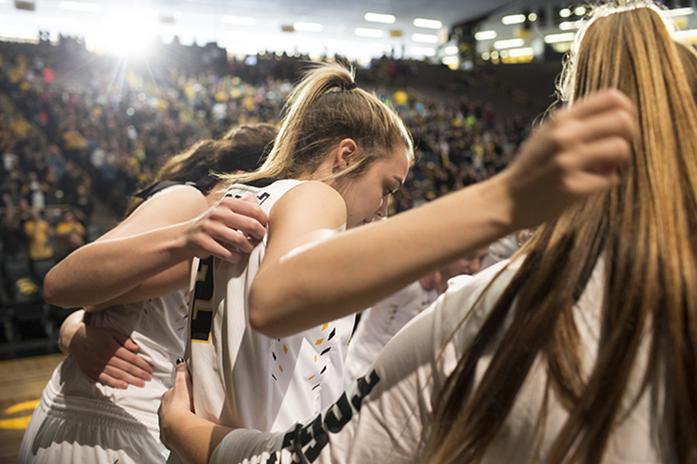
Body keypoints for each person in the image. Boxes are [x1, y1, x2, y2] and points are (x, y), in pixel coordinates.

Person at [161, 53, 637, 464]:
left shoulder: (234, 200)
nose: (384, 209)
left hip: (204, 442)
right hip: (259, 448)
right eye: (386, 188)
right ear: (345, 156)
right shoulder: (314, 197)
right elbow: (275, 301)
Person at [18, 124, 277, 463]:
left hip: (149, 423)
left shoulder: (243, 240)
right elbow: (66, 285)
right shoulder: (189, 201)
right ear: (242, 177)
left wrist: (74, 328)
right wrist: (75, 329)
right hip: (108, 421)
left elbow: (106, 302)